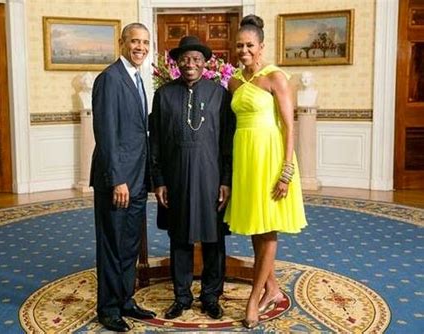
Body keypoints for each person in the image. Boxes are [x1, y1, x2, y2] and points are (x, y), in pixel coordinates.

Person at [223, 15, 307, 329]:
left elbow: (289, 126)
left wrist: (287, 170)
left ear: (261, 46)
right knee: (256, 227)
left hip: (271, 158)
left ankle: (253, 298)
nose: (244, 50)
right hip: (245, 158)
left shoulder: (276, 77)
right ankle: (272, 288)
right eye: (239, 46)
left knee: (268, 227)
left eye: (249, 45)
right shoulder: (232, 81)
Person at [149, 36, 235, 320]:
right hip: (176, 178)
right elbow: (157, 142)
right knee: (180, 239)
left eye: (196, 59)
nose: (190, 64)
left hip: (211, 177)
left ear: (205, 63)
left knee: (213, 240)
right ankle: (182, 297)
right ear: (177, 62)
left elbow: (227, 141)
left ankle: (211, 296)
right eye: (185, 58)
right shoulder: (163, 95)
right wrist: (159, 180)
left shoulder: (219, 94)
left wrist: (226, 180)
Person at [90, 22, 156, 332]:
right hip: (117, 182)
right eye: (134, 41)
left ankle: (126, 299)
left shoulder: (138, 79)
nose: (140, 47)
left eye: (144, 42)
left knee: (130, 245)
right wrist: (117, 179)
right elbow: (106, 135)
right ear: (121, 43)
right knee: (112, 245)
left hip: (138, 180)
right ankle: (108, 308)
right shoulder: (109, 79)